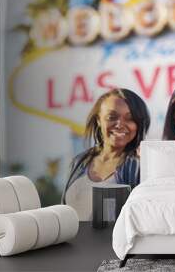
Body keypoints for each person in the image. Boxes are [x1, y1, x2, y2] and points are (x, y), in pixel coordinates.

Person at [62, 88, 150, 221]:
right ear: (98, 119)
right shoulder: (79, 161)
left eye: (130, 118)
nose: (120, 124)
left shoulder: (139, 167)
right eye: (112, 117)